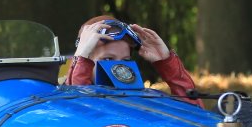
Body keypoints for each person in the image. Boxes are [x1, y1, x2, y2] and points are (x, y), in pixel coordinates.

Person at [68, 15, 200, 106]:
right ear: (85, 59)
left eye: (125, 61)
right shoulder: (62, 100)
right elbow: (78, 110)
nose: (118, 68)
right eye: (107, 59)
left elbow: (195, 117)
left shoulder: (142, 98)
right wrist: (81, 59)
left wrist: (166, 64)